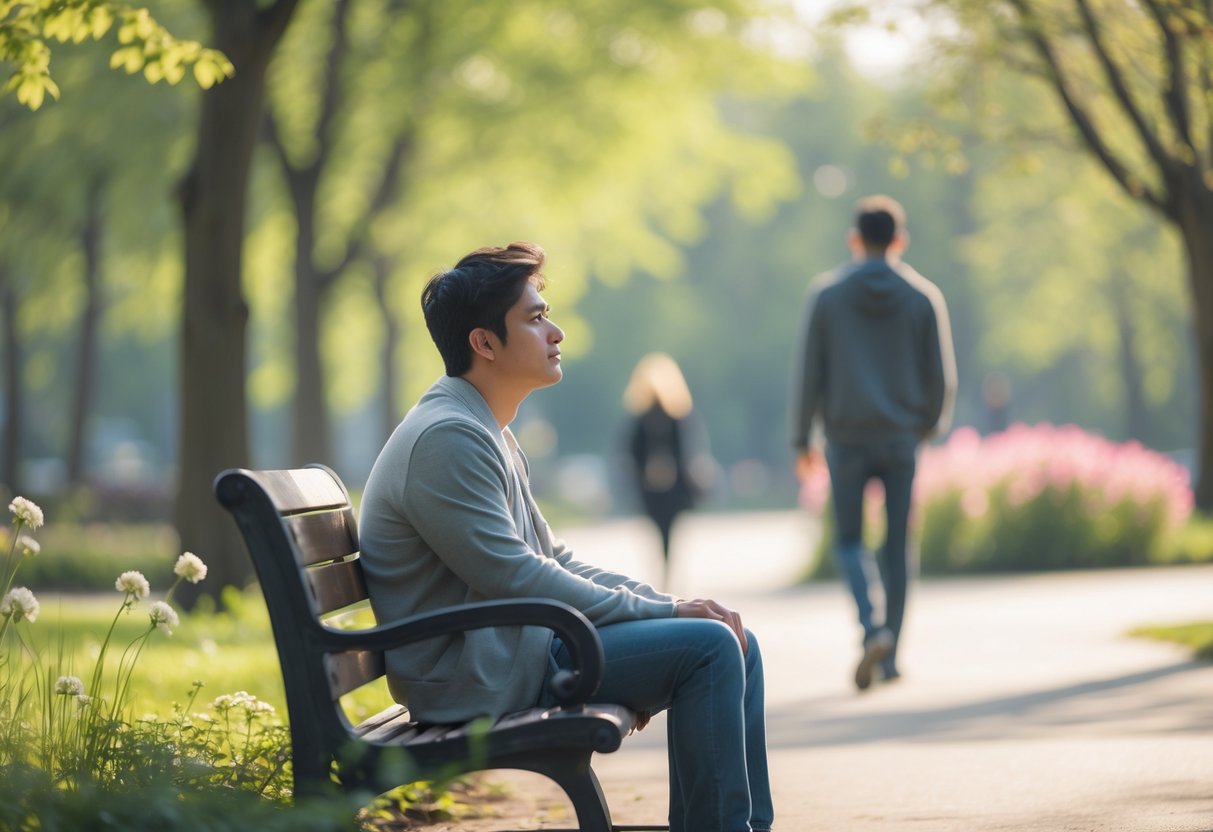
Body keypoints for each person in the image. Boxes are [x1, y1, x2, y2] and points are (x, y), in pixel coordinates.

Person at [359, 242, 773, 832]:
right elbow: (515, 576)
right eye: (534, 318)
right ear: (484, 343)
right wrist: (664, 610)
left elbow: (550, 559)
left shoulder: (484, 427)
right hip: (479, 676)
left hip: (515, 649)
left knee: (734, 638)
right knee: (707, 648)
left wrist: (661, 607)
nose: (555, 332)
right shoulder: (447, 437)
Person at [789, 195, 956, 692]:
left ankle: (871, 627)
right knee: (899, 545)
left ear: (855, 240)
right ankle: (891, 656)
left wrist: (802, 438)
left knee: (848, 541)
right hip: (901, 440)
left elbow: (809, 373)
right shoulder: (923, 296)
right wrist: (925, 427)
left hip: (846, 439)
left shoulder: (827, 295)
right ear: (900, 240)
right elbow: (941, 378)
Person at [623, 352, 713, 586]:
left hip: (675, 487)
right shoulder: (641, 419)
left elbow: (689, 452)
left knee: (669, 530)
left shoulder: (677, 417)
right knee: (660, 530)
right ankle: (665, 573)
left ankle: (667, 573)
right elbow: (631, 453)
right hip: (651, 488)